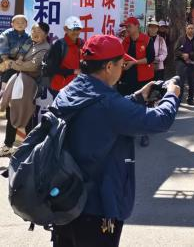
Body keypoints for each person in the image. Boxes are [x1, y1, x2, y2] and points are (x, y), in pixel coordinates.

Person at [51, 35, 180, 247]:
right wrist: (172, 96)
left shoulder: (69, 91)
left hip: (64, 201)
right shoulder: (109, 104)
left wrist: (137, 97)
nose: (123, 69)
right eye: (121, 64)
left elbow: (102, 112)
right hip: (97, 207)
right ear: (109, 66)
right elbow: (159, 120)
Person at [0, 22, 50, 157]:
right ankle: (9, 145)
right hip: (20, 81)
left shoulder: (45, 48)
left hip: (29, 84)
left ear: (46, 34)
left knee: (25, 115)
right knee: (12, 111)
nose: (35, 33)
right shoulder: (29, 43)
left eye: (38, 31)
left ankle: (27, 147)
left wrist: (12, 64)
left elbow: (33, 66)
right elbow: (18, 56)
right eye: (33, 30)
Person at [119, 17, 155, 148]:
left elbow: (150, 58)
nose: (126, 29)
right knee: (127, 105)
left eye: (128, 26)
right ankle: (128, 131)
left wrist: (134, 63)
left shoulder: (147, 40)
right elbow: (121, 56)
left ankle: (144, 133)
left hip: (143, 78)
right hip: (127, 78)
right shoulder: (125, 41)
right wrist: (123, 64)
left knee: (142, 105)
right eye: (125, 27)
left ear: (136, 26)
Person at [44, 16, 83, 100]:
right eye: (72, 29)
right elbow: (51, 68)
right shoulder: (59, 45)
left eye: (78, 29)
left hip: (76, 87)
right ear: (65, 29)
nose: (75, 32)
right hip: (60, 88)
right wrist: (73, 71)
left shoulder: (81, 43)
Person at [174, 22, 194, 106]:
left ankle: (190, 99)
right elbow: (175, 50)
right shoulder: (181, 39)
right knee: (180, 82)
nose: (190, 30)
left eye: (192, 28)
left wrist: (189, 55)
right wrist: (183, 55)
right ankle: (178, 99)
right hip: (181, 61)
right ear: (186, 30)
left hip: (192, 62)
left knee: (192, 82)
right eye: (189, 28)